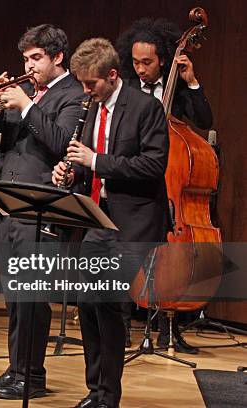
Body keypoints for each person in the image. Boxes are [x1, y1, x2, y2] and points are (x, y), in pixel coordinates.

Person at [52, 37, 169, 408]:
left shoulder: (145, 108)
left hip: (133, 223)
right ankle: (94, 390)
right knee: (86, 304)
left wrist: (96, 161)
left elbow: (153, 165)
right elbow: (86, 166)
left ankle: (109, 396)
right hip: (97, 220)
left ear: (113, 75)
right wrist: (71, 175)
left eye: (91, 84)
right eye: (82, 84)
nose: (85, 92)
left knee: (109, 303)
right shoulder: (92, 106)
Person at [0, 24, 85, 400]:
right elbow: (2, 141)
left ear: (58, 57)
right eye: (25, 58)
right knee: (14, 295)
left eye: (36, 58)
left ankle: (32, 377)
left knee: (33, 299)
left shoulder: (74, 95)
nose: (29, 65)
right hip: (10, 205)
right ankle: (16, 368)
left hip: (41, 207)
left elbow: (61, 142)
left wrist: (26, 105)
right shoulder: (32, 94)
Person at [116, 17, 214, 352]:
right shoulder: (126, 91)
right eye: (135, 62)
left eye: (147, 62)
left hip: (171, 198)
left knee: (170, 253)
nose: (140, 69)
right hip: (135, 187)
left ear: (163, 60)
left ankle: (167, 326)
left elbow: (204, 121)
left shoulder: (181, 86)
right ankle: (122, 323)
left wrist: (192, 80)